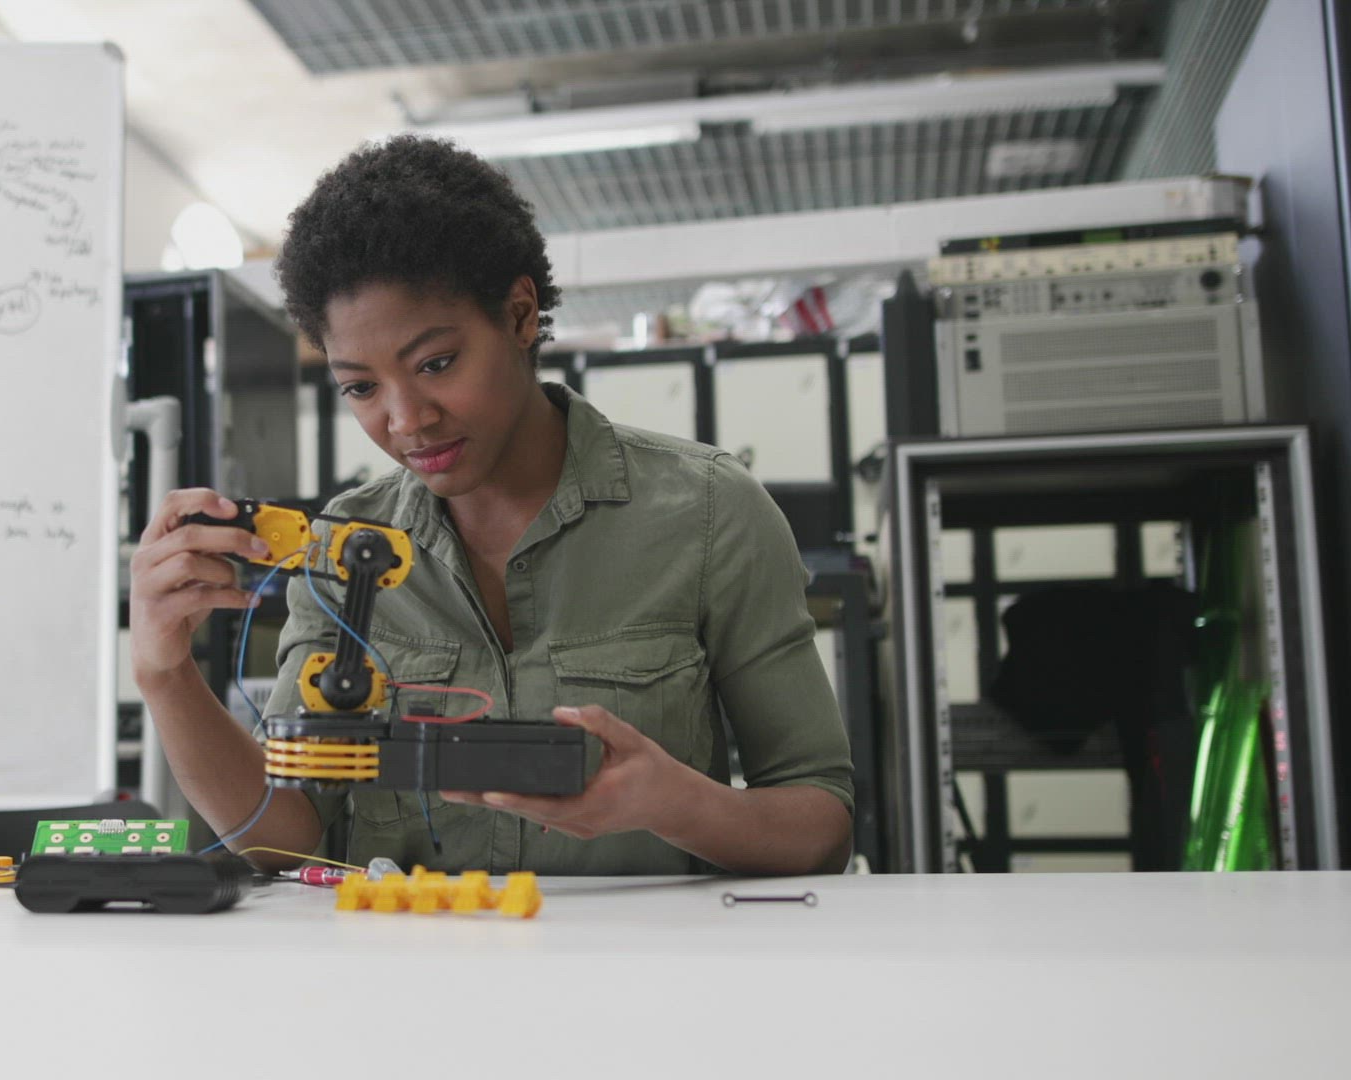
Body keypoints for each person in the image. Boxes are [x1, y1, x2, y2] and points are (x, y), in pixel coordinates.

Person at [129, 136, 852, 875]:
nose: (406, 420)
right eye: (361, 388)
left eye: (436, 364)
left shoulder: (708, 513)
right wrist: (165, 672)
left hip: (638, 953)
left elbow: (822, 824)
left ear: (519, 315)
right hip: (407, 950)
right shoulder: (347, 548)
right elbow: (284, 840)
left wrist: (673, 803)